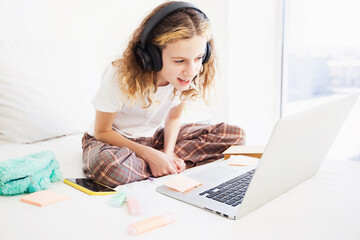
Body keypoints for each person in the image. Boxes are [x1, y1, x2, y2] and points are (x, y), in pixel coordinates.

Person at [82, 1, 245, 188]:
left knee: (235, 136)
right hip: (113, 141)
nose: (191, 71)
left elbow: (174, 118)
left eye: (199, 58)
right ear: (152, 56)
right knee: (110, 168)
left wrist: (167, 151)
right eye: (179, 61)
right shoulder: (119, 75)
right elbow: (102, 132)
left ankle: (162, 162)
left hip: (154, 138)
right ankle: (158, 163)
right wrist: (149, 154)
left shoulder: (184, 78)